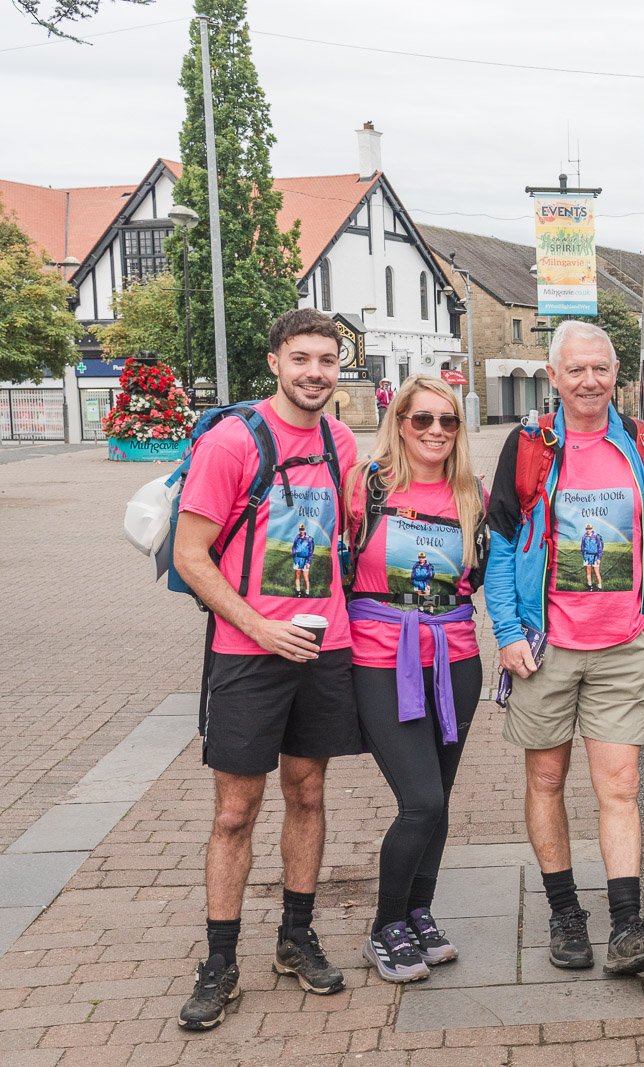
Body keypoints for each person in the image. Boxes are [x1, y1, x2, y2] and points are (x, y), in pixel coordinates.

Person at [171, 308, 362, 1031]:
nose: (316, 371)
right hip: (249, 651)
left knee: (308, 792)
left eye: (328, 359)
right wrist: (259, 625)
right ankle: (220, 963)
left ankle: (296, 936)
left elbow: (350, 534)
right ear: (276, 360)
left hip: (323, 646)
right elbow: (193, 556)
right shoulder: (231, 442)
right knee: (234, 809)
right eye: (302, 358)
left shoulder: (343, 441)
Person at [485, 320, 644, 976]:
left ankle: (627, 925)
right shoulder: (528, 447)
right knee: (545, 777)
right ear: (554, 377)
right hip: (547, 645)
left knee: (619, 784)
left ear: (616, 370)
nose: (590, 380)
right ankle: (565, 911)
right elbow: (504, 542)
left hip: (623, 644)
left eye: (600, 367)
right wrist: (510, 632)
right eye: (576, 370)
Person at [345, 377, 485, 983]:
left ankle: (419, 912)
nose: (435, 431)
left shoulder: (471, 493)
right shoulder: (365, 485)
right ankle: (386, 925)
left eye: (447, 421)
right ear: (399, 420)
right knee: (419, 800)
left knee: (440, 801)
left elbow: (480, 575)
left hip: (455, 658)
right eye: (422, 419)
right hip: (380, 656)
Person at [292, 523, 316, 596]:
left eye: (302, 529)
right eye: (300, 529)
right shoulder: (297, 538)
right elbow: (293, 548)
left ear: (305, 530)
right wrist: (295, 558)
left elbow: (311, 551)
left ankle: (307, 592)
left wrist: (309, 562)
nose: (301, 531)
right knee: (297, 575)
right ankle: (298, 591)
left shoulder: (309, 539)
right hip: (298, 560)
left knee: (306, 577)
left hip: (305, 560)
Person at [581, 523, 605, 591]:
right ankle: (590, 586)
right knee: (588, 572)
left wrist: (599, 558)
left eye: (590, 528)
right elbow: (582, 547)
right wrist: (584, 556)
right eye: (587, 529)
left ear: (592, 529)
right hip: (587, 556)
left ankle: (599, 587)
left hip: (595, 557)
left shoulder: (596, 536)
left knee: (596, 572)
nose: (588, 530)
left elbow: (600, 548)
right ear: (585, 529)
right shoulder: (584, 537)